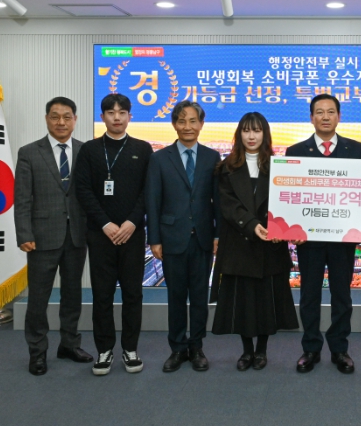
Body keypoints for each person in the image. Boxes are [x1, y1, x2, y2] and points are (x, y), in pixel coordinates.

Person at [210, 112, 299, 371]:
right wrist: (252, 225)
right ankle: (246, 350)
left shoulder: (280, 166)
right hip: (239, 244)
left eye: (257, 131)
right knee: (243, 301)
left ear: (265, 134)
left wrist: (282, 228)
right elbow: (228, 205)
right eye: (246, 130)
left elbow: (288, 202)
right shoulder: (226, 168)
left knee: (266, 301)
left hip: (270, 244)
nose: (251, 136)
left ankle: (262, 350)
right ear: (239, 134)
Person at [285, 94, 361, 374]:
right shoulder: (296, 151)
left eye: (331, 112)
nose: (325, 117)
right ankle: (310, 347)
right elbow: (291, 196)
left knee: (342, 295)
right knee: (309, 295)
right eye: (319, 112)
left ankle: (339, 348)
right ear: (311, 118)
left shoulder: (355, 149)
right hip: (309, 239)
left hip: (343, 239)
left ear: (339, 116)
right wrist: (292, 227)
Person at [75, 93, 153, 375]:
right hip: (100, 235)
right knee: (102, 294)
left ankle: (130, 349)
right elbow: (83, 190)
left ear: (130, 116)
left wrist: (132, 221)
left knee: (133, 294)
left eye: (122, 112)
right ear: (102, 116)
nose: (117, 117)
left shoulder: (143, 149)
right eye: (111, 112)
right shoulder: (90, 150)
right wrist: (106, 224)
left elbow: (148, 190)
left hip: (133, 234)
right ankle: (105, 350)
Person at [14, 96, 92, 375]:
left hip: (77, 236)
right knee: (38, 298)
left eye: (67, 116)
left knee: (72, 294)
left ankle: (69, 345)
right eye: (55, 116)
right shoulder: (29, 152)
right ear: (47, 119)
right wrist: (24, 233)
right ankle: (37, 352)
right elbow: (22, 198)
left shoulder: (86, 151)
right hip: (41, 237)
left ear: (75, 120)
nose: (61, 122)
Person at [146, 100, 220, 373]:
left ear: (201, 124)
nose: (187, 126)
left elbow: (218, 201)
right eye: (181, 121)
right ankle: (177, 348)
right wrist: (154, 239)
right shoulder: (159, 158)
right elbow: (152, 201)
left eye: (193, 121)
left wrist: (218, 235)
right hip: (171, 238)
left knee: (200, 297)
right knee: (176, 297)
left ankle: (196, 347)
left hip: (202, 238)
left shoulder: (212, 157)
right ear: (174, 124)